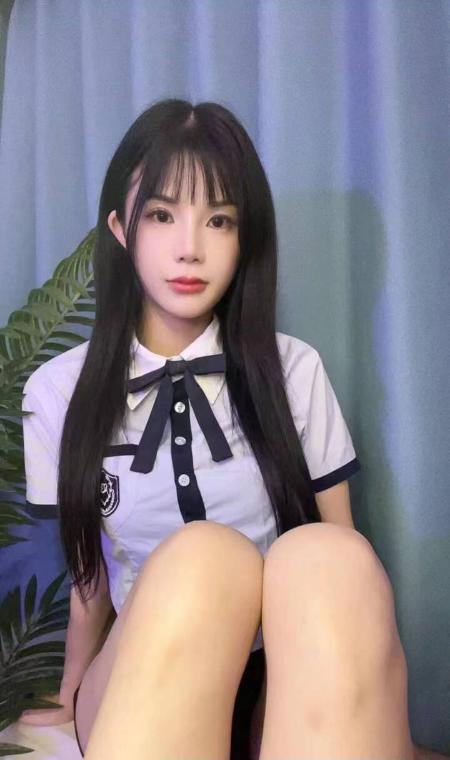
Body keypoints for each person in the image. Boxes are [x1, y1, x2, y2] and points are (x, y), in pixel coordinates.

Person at [18, 98, 418, 760]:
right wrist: (65, 693)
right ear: (120, 228)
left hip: (280, 682)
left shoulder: (293, 370)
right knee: (203, 560)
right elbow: (89, 585)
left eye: (219, 220)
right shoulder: (59, 390)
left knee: (329, 558)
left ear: (243, 237)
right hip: (144, 667)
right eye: (162, 215)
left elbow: (340, 558)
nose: (190, 248)